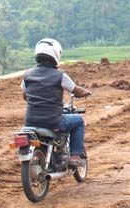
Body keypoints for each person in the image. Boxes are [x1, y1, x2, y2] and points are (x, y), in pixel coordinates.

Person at [21, 38, 91, 166]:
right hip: (53, 121)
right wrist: (85, 92)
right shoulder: (60, 76)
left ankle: (40, 156)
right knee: (78, 121)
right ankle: (75, 156)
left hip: (30, 121)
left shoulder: (27, 75)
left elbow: (25, 96)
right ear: (56, 55)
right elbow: (76, 91)